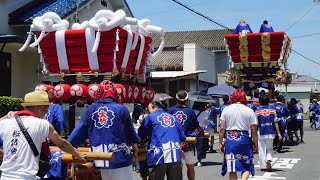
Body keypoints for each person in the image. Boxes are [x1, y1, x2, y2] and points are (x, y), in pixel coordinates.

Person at [0, 91, 85, 179]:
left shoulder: (5, 123)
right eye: (46, 109)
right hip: (27, 177)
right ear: (40, 107)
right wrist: (78, 154)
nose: (46, 112)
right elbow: (62, 144)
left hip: (5, 176)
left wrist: (9, 115)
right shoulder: (42, 124)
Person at [67, 80, 140, 180]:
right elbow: (131, 132)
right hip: (119, 156)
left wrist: (67, 147)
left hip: (100, 157)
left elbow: (78, 131)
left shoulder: (91, 109)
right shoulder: (121, 109)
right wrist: (135, 147)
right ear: (114, 93)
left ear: (99, 93)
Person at [138, 101, 186, 180]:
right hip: (175, 154)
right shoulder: (174, 118)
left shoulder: (150, 117)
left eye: (149, 109)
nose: (148, 111)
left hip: (158, 155)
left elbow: (141, 134)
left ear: (154, 107)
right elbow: (182, 137)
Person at [219, 89, 258, 180]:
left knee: (232, 168)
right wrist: (256, 144)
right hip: (244, 138)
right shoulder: (249, 110)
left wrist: (220, 142)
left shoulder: (226, 109)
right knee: (246, 165)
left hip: (230, 139)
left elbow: (222, 128)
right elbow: (254, 130)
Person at [167, 90, 200, 180]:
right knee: (190, 166)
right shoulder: (190, 111)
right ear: (187, 99)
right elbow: (196, 127)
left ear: (176, 98)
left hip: (174, 142)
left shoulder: (170, 110)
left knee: (177, 168)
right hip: (188, 141)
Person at [256, 95, 281, 171]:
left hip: (261, 132)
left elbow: (255, 123)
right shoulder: (273, 110)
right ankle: (269, 160)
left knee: (262, 149)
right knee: (270, 148)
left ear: (260, 102)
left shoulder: (257, 111)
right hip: (271, 132)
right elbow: (276, 122)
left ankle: (263, 165)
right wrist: (279, 133)